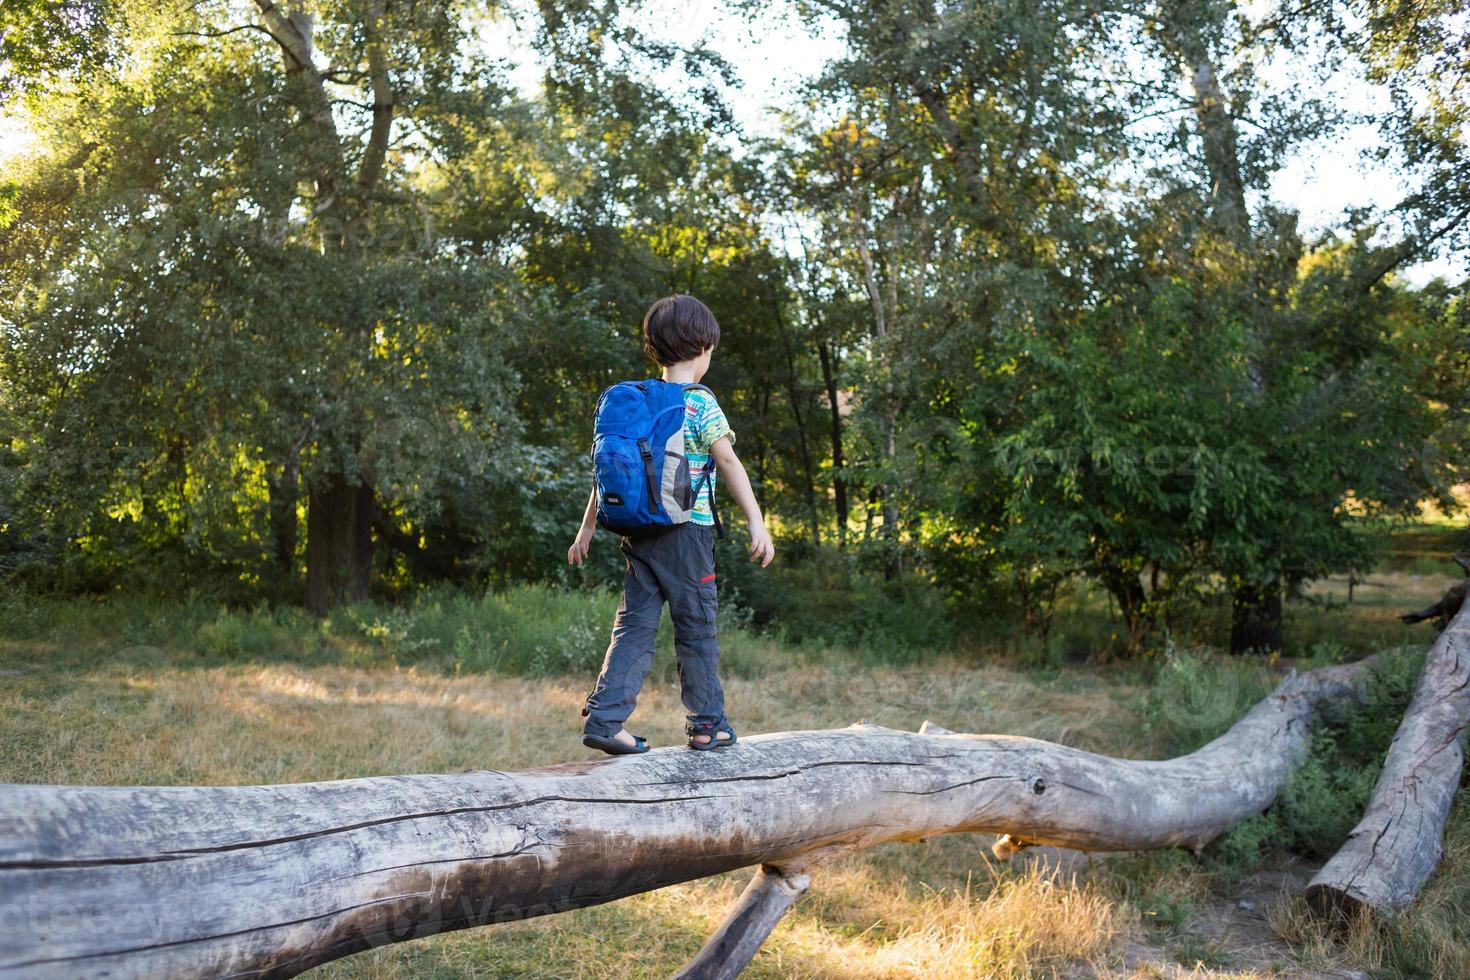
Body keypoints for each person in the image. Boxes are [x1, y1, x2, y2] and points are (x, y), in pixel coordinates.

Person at [568, 294, 775, 753]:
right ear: (703, 348)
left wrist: (585, 531)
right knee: (696, 627)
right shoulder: (699, 404)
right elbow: (728, 461)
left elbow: (608, 476)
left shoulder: (635, 403)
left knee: (634, 628)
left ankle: (604, 720)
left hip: (638, 534)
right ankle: (708, 724)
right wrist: (757, 522)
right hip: (688, 536)